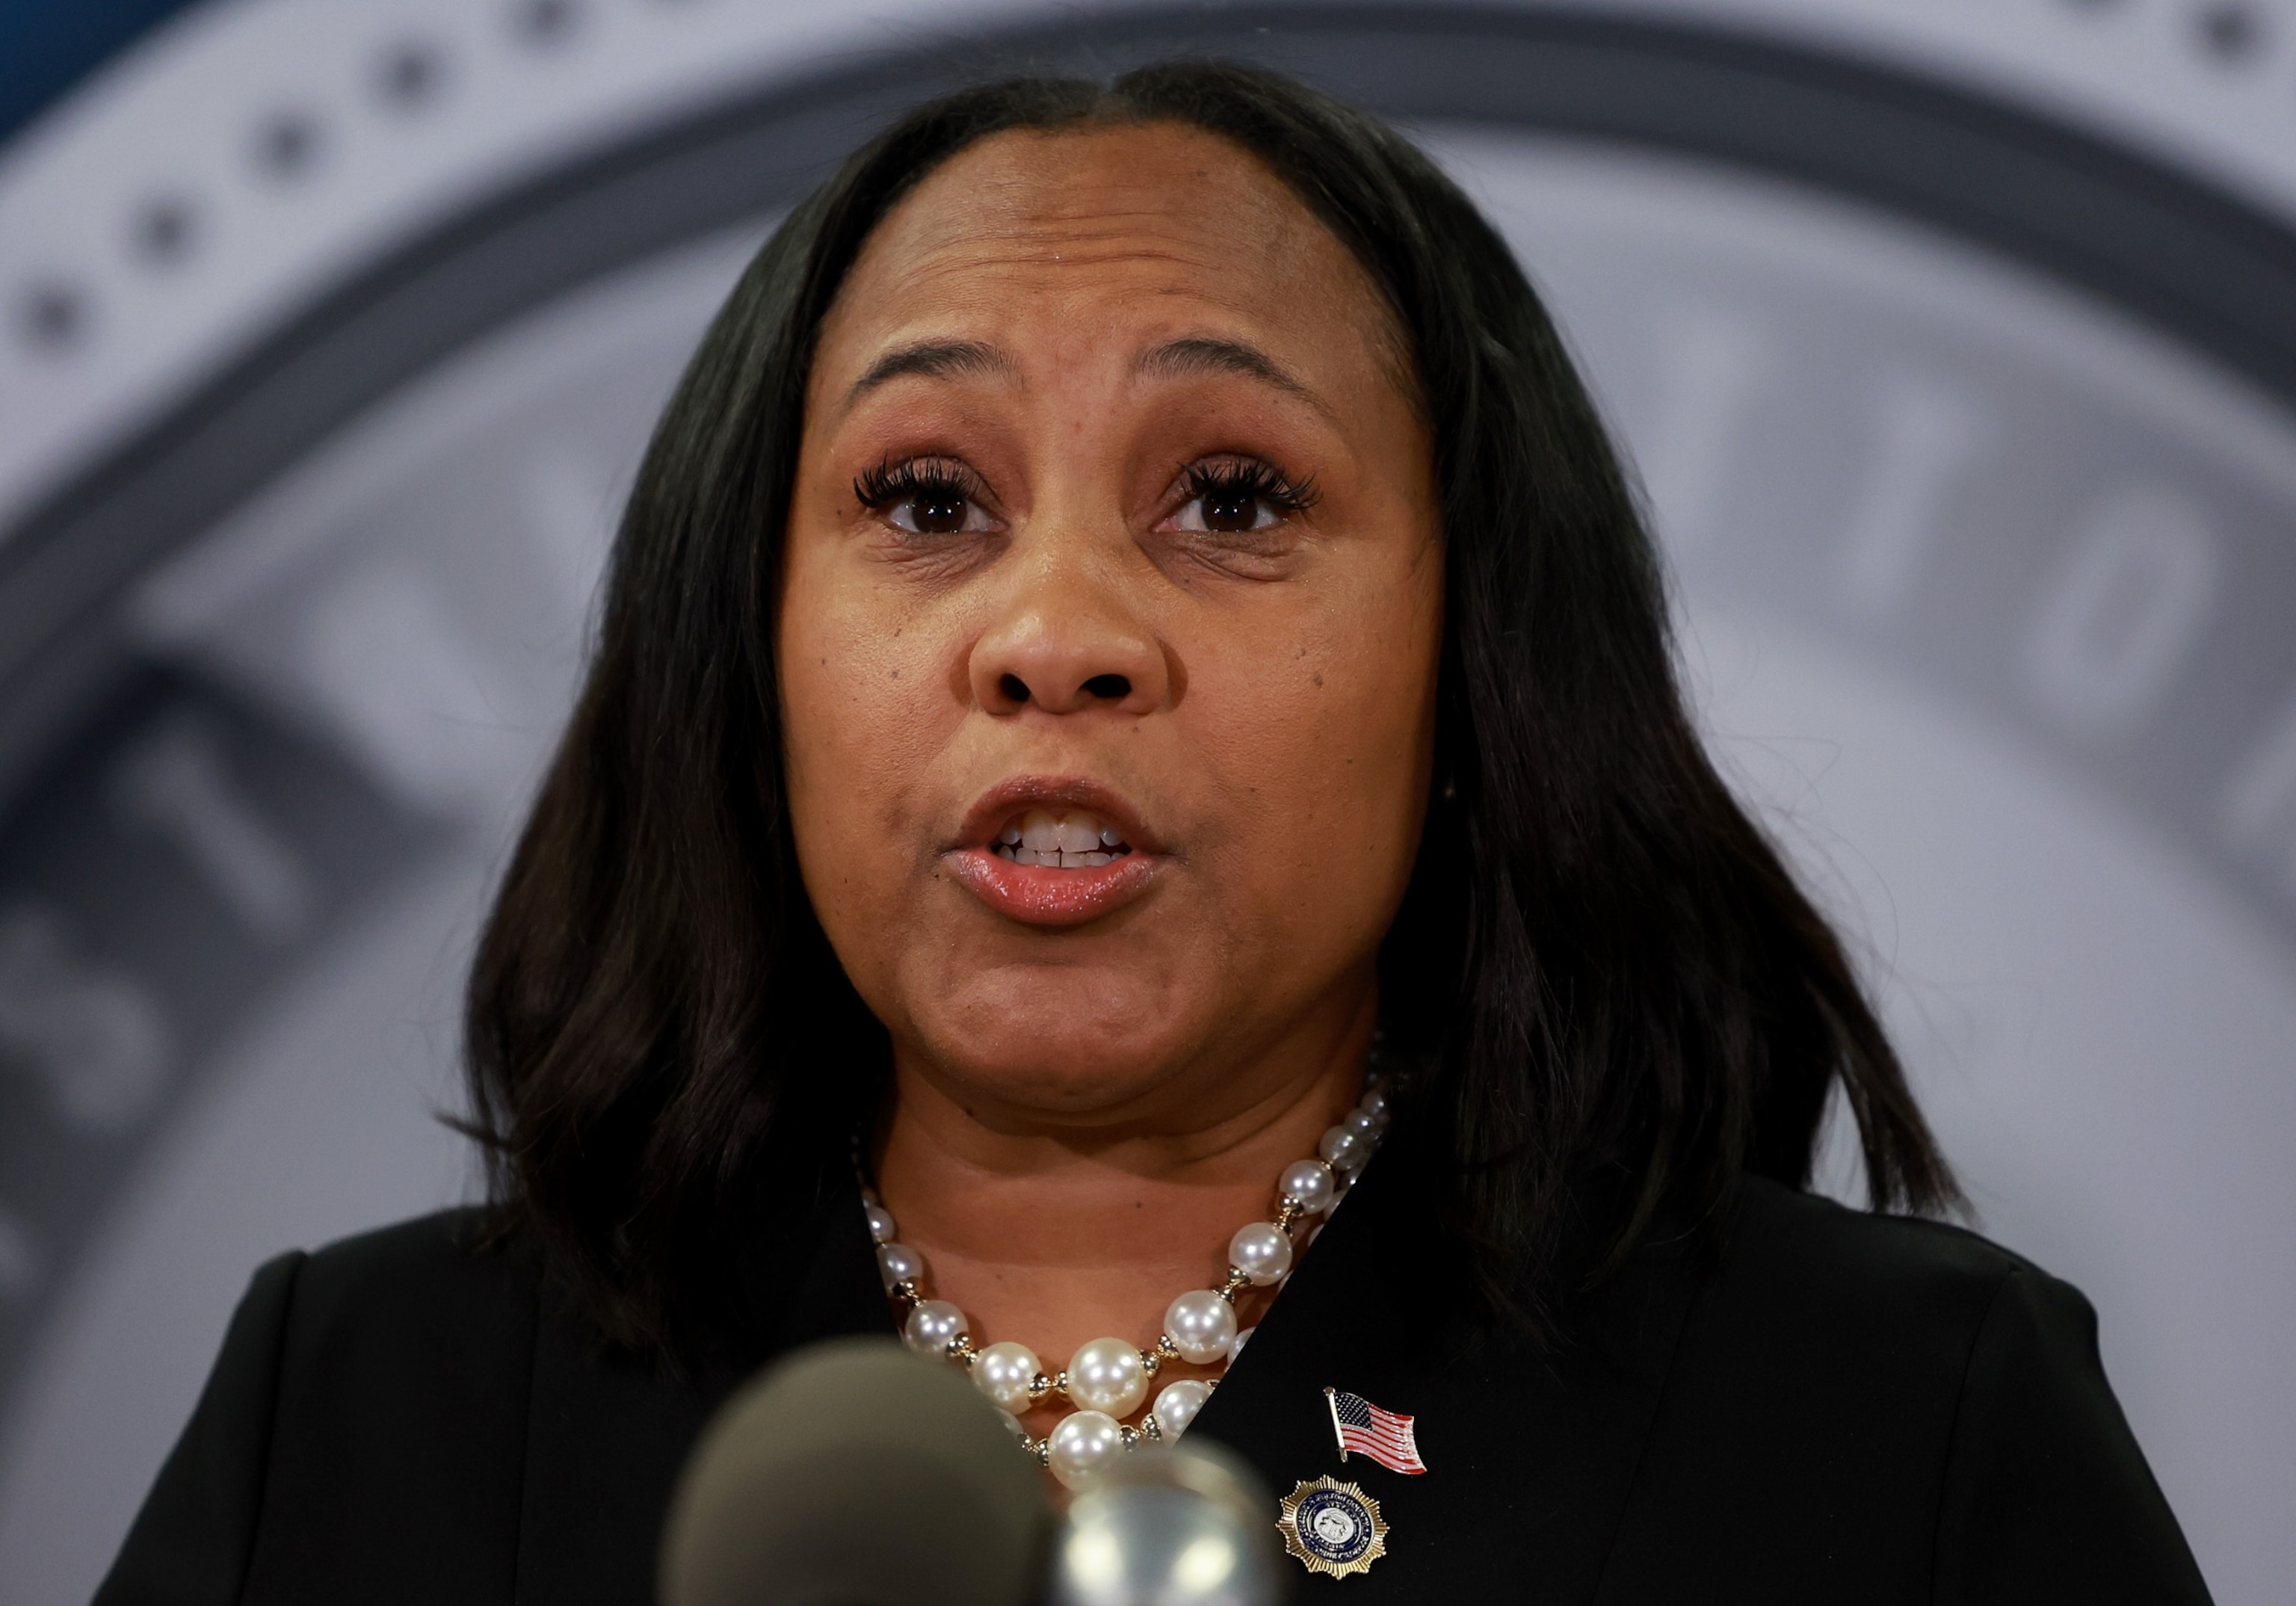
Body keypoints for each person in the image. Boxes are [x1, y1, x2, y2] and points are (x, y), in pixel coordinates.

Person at [96, 62, 2210, 1605]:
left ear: (1475, 666)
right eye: (927, 504)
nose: (1059, 636)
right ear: (748, 661)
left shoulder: (1894, 1428)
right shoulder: (367, 1411)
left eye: (1235, 498)